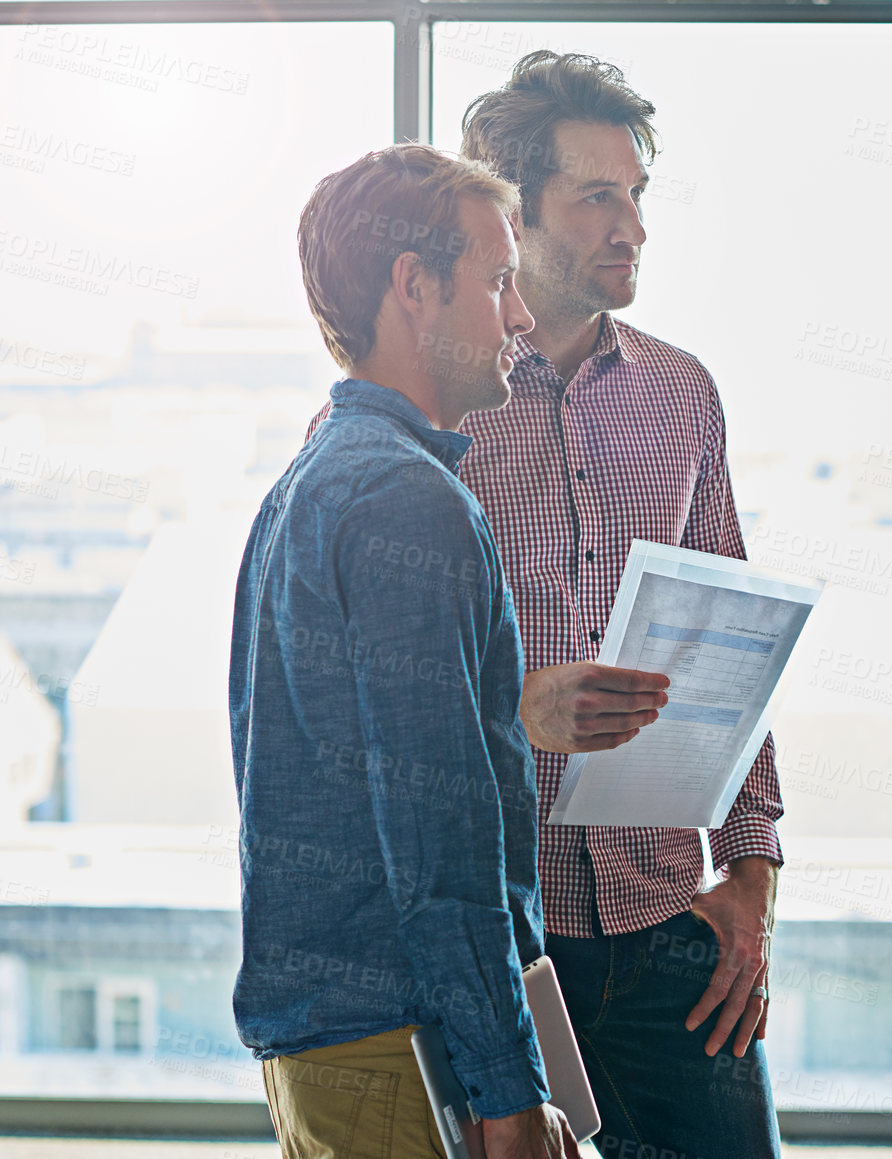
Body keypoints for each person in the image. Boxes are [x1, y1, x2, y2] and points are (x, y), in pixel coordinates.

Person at [308, 51, 785, 1157]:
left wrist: (753, 878)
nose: (633, 229)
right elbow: (359, 696)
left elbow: (735, 650)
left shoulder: (682, 395)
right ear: (515, 215)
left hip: (675, 927)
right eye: (598, 196)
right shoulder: (424, 411)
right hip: (500, 942)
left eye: (638, 195)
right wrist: (517, 701)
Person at [230, 143, 578, 1158]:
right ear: (416, 286)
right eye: (500, 279)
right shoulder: (408, 501)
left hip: (328, 1045)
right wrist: (508, 1089)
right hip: (406, 1052)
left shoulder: (310, 479)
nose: (520, 316)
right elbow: (438, 834)